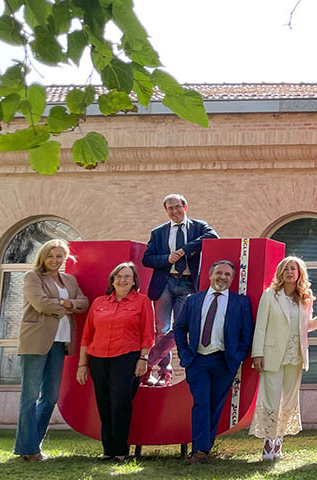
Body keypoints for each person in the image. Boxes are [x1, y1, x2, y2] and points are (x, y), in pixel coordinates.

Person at [15, 239, 89, 462]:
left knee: (50, 397)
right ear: (43, 257)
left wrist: (67, 303)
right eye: (51, 256)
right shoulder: (33, 277)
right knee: (30, 397)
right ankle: (29, 449)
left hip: (61, 343)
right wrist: (67, 305)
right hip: (35, 342)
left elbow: (84, 302)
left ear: (65, 258)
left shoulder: (70, 280)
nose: (55, 260)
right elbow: (41, 304)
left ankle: (32, 446)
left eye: (59, 256)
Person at [175, 260, 254, 465]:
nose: (223, 277)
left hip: (224, 362)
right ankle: (199, 450)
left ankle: (204, 448)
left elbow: (247, 334)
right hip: (197, 361)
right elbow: (179, 328)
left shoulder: (241, 302)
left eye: (228, 275)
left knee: (215, 405)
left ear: (232, 278)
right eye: (219, 273)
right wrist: (184, 354)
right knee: (201, 402)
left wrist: (238, 356)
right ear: (210, 275)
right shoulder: (194, 300)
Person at [74, 262, 153, 462]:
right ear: (112, 279)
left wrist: (143, 358)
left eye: (127, 276)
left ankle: (120, 451)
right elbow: (86, 336)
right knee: (104, 403)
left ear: (134, 280)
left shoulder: (142, 301)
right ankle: (107, 451)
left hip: (127, 358)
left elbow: (148, 334)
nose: (122, 280)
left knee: (120, 404)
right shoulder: (99, 302)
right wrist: (82, 365)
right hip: (98, 359)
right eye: (118, 276)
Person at [250, 257, 317, 461]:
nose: (290, 271)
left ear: (300, 274)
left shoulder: (304, 298)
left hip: (296, 354)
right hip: (272, 354)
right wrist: (257, 353)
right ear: (280, 273)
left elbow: (306, 326)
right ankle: (267, 440)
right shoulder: (270, 295)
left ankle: (279, 438)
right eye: (286, 268)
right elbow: (261, 326)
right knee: (270, 396)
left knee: (289, 399)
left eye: (294, 268)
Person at [142, 194, 218, 386]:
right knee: (161, 328)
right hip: (165, 282)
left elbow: (213, 237)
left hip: (187, 284)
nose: (175, 211)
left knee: (179, 327)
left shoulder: (198, 227)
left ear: (185, 207)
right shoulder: (158, 232)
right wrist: (166, 259)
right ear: (166, 211)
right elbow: (147, 259)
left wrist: (185, 250)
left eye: (178, 207)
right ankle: (163, 372)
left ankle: (150, 363)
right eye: (170, 208)